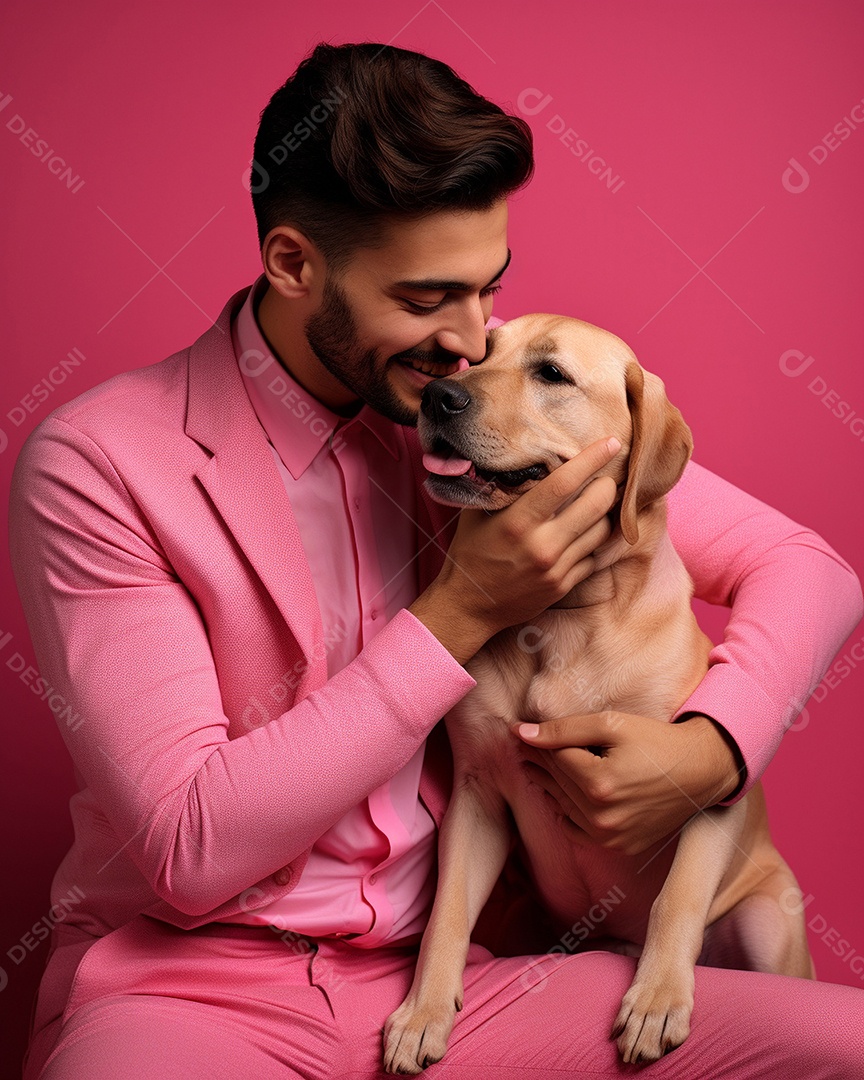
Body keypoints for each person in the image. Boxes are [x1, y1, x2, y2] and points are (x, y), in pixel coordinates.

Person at [9, 41, 863, 1080]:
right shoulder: (101, 463)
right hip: (184, 989)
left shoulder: (490, 421)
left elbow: (809, 567)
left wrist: (712, 751)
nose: (468, 343)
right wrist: (462, 611)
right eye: (425, 300)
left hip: (452, 982)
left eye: (487, 289)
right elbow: (189, 850)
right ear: (292, 264)